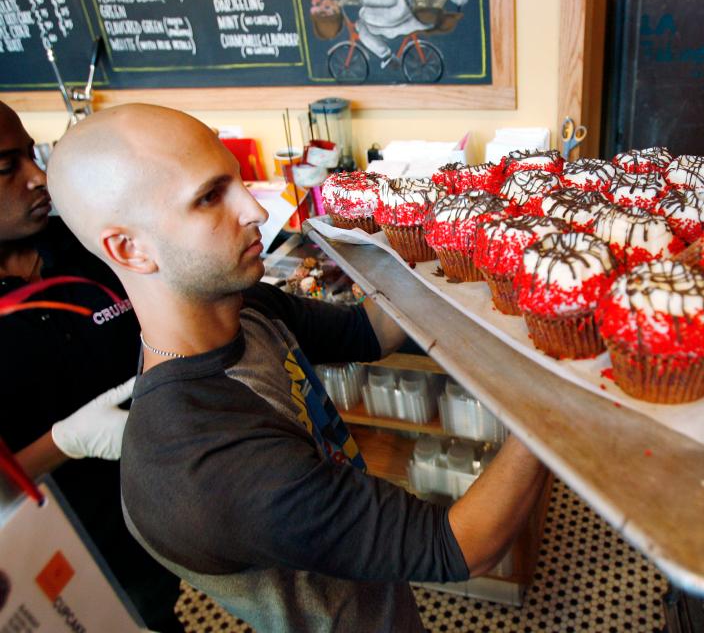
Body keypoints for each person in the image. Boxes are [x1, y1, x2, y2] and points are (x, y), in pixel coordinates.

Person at [47, 104, 550, 632]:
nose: (255, 210)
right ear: (130, 248)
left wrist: (440, 239)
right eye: (210, 197)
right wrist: (549, 407)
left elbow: (368, 333)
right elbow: (463, 546)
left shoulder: (245, 309)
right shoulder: (208, 462)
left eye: (237, 181)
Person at [0, 101, 184, 631]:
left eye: (33, 156)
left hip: (153, 524)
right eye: (6, 167)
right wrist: (65, 441)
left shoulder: (85, 243)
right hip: (59, 559)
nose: (39, 178)